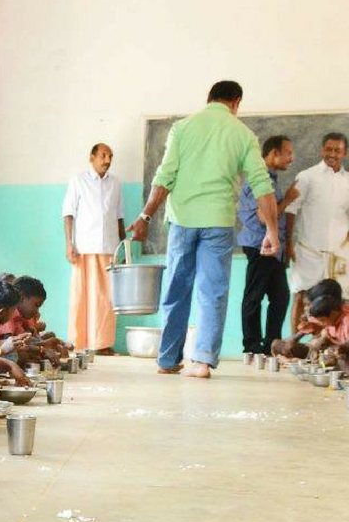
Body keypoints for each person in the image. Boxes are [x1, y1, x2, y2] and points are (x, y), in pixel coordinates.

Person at [129, 80, 281, 378]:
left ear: (209, 98)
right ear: (236, 102)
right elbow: (262, 185)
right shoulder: (243, 134)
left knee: (176, 291)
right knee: (212, 292)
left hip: (182, 221)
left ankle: (168, 359)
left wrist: (145, 216)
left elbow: (165, 176)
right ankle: (202, 362)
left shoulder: (183, 128)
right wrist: (272, 231)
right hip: (218, 222)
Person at [63, 143, 124, 355]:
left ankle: (103, 344)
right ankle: (78, 342)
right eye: (103, 155)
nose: (107, 160)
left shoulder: (115, 183)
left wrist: (124, 247)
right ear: (92, 157)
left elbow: (119, 216)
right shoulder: (78, 181)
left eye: (110, 156)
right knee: (82, 296)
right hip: (84, 248)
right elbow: (68, 213)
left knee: (107, 298)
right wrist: (69, 244)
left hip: (109, 247)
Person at [285, 132, 349, 332]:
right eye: (328, 149)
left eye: (337, 150)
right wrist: (287, 243)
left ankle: (331, 349)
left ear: (345, 152)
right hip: (308, 250)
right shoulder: (306, 176)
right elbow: (290, 210)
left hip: (339, 253)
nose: (332, 154)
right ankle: (293, 350)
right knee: (300, 296)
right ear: (322, 150)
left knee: (340, 301)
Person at [238, 135, 296, 354]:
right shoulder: (260, 179)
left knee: (280, 296)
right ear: (274, 154)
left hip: (274, 248)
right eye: (288, 153)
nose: (292, 158)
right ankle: (251, 346)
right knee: (254, 296)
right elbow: (264, 217)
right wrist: (288, 199)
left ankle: (271, 344)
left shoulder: (270, 179)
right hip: (259, 246)